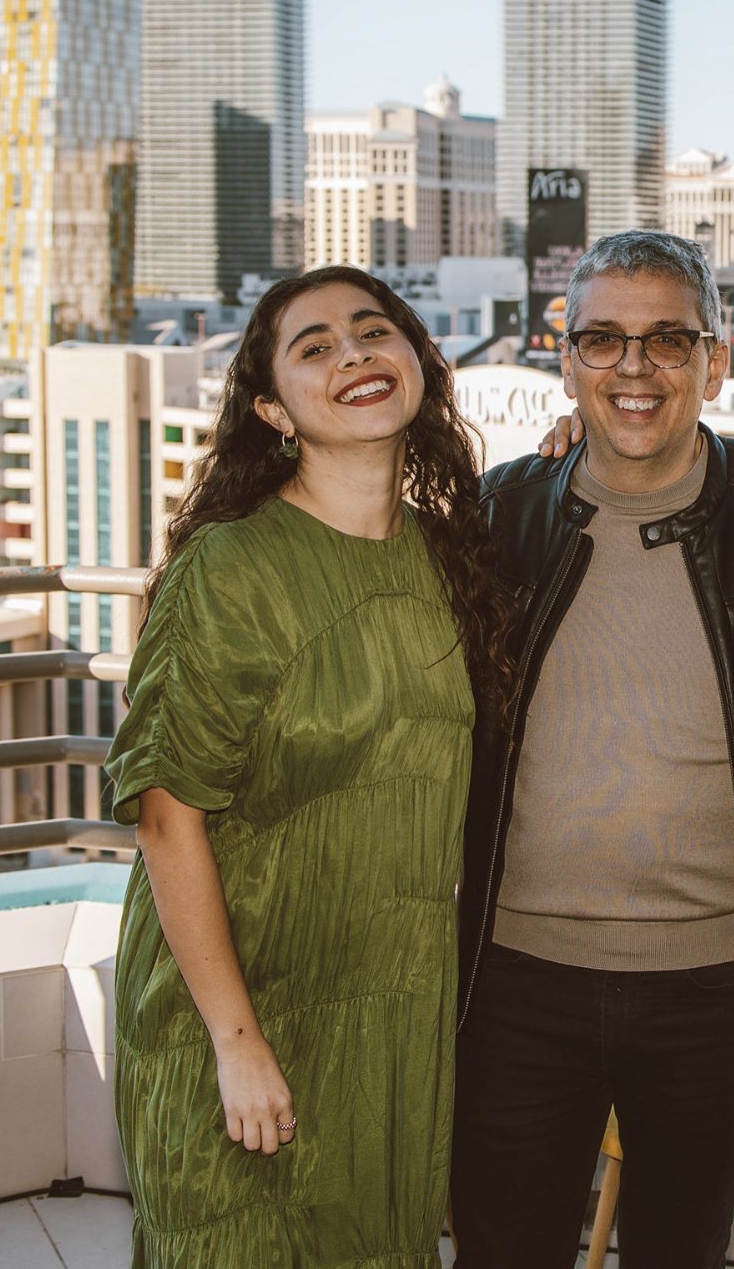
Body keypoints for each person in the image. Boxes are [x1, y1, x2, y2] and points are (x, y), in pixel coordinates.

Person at [107, 267, 514, 1267]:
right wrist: (236, 1044)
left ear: (420, 360)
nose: (354, 356)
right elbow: (167, 818)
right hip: (242, 1018)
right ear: (270, 407)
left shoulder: (447, 558)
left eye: (375, 332)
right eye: (315, 347)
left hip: (388, 1022)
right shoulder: (232, 566)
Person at [450, 231, 734, 1268]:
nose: (633, 367)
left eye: (668, 338)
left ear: (717, 360)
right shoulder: (496, 520)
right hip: (516, 984)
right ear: (563, 358)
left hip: (716, 992)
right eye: (603, 339)